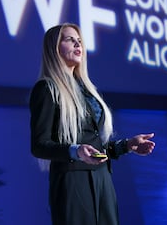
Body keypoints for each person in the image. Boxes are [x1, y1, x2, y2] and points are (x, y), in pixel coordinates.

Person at [29, 23, 155, 225]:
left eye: (79, 40)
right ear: (54, 47)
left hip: (103, 181)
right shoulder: (47, 89)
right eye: (69, 39)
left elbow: (96, 147)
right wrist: (76, 151)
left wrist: (127, 145)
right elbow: (39, 145)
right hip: (73, 183)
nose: (77, 43)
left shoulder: (88, 90)